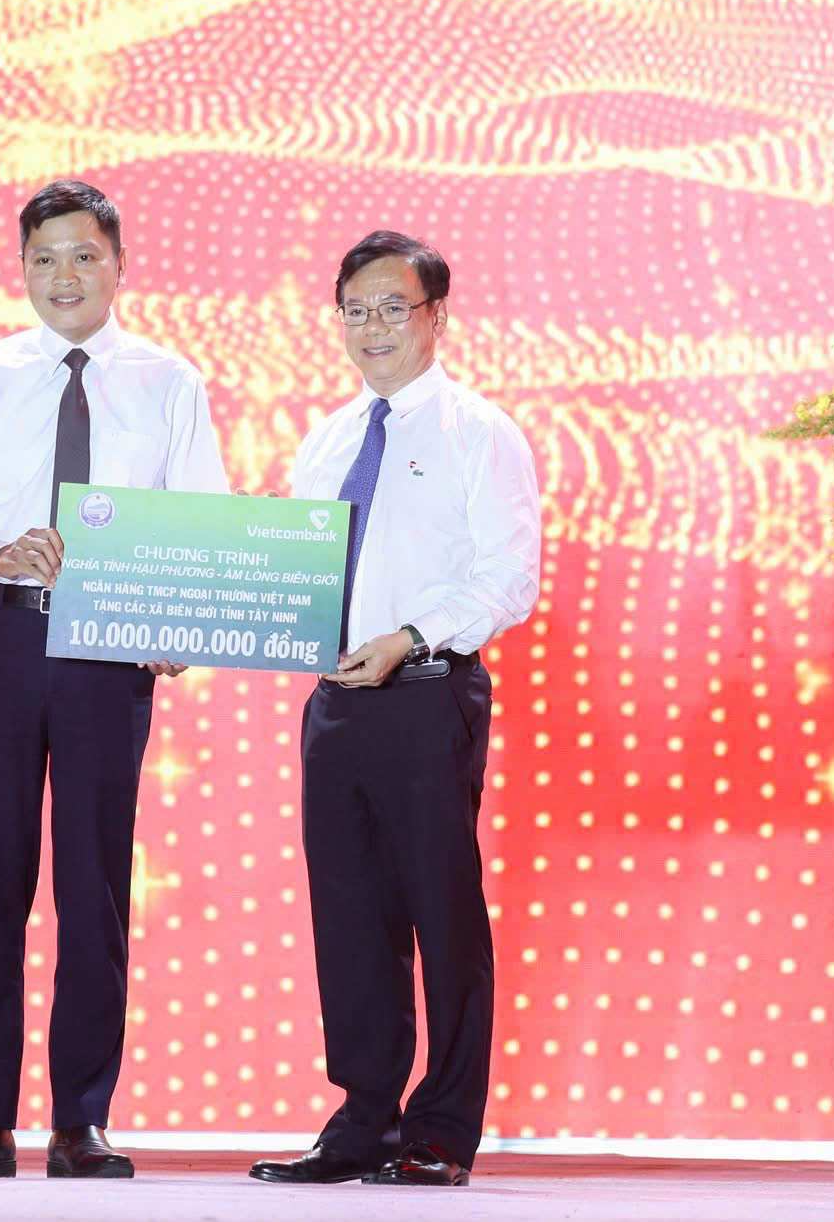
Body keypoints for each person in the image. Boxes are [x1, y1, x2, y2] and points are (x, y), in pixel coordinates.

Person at [0, 180, 228, 1179]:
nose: (64, 276)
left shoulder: (168, 382)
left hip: (109, 653)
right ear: (22, 268)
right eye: (44, 259)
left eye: (84, 255)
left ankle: (81, 1122)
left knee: (94, 886)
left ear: (119, 264)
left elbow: (202, 518)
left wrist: (177, 622)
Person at [249, 231, 540, 1188]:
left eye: (392, 308)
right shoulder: (329, 437)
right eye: (355, 310)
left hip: (425, 695)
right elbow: (298, 573)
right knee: (349, 919)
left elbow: (509, 578)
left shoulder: (480, 433)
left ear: (435, 317)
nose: (372, 328)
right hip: (334, 705)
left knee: (440, 915)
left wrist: (410, 637)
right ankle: (363, 1122)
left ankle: (442, 1131)